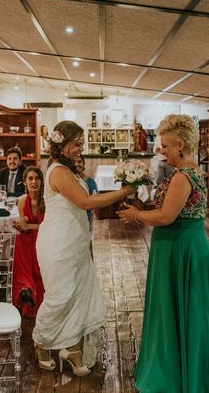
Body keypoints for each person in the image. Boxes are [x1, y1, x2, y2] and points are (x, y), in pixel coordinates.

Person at [116, 114, 209, 393]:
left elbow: (167, 216)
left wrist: (137, 215)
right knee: (189, 313)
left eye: (166, 145)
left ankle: (177, 373)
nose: (162, 150)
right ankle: (191, 366)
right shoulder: (186, 173)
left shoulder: (184, 177)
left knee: (186, 311)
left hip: (181, 250)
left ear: (182, 145)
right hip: (180, 247)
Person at [32, 121, 134, 376]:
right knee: (60, 296)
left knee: (78, 294)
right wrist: (122, 192)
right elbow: (86, 201)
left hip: (75, 239)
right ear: (62, 144)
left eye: (81, 143)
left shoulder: (69, 170)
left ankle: (72, 347)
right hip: (58, 242)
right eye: (77, 143)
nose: (81, 148)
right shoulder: (57, 171)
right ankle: (42, 343)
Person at [12, 166, 45, 317]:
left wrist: (29, 225)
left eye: (37, 178)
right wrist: (20, 225)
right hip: (28, 237)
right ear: (24, 182)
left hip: (43, 236)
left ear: (41, 181)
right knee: (19, 240)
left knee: (28, 245)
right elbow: (23, 221)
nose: (34, 182)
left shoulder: (46, 201)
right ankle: (26, 289)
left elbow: (50, 226)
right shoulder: (22, 201)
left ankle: (27, 289)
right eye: (30, 179)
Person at [74, 154, 98, 235]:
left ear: (84, 164)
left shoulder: (90, 182)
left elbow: (95, 201)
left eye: (79, 162)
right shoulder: (68, 181)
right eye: (74, 162)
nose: (77, 164)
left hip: (86, 219)